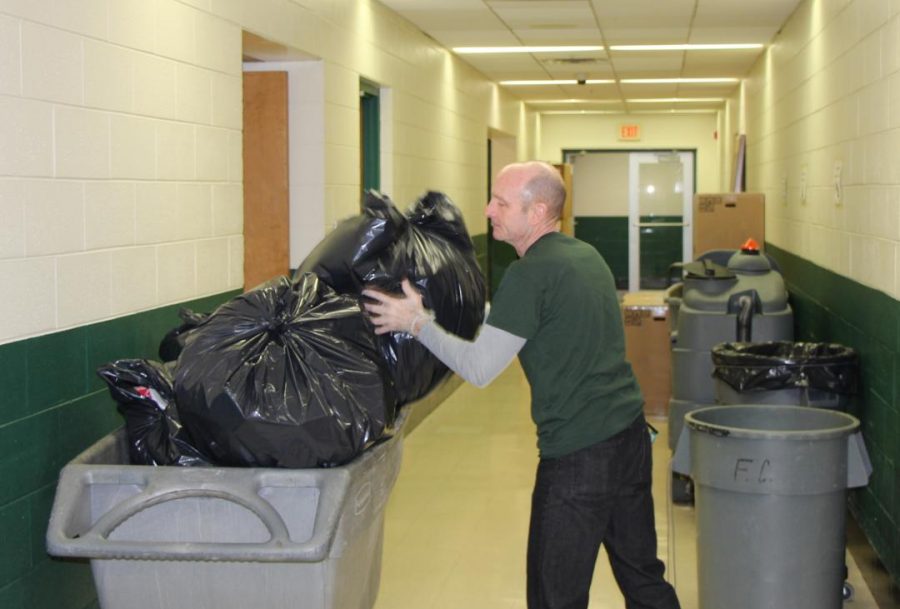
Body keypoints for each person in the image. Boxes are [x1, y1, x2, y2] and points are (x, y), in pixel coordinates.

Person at [362, 161, 681, 609]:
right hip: (628, 438)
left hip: (578, 456)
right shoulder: (585, 256)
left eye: (501, 202)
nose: (489, 210)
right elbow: (537, 324)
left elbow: (479, 368)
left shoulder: (529, 274)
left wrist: (414, 322)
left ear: (538, 212)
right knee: (643, 576)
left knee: (555, 596)